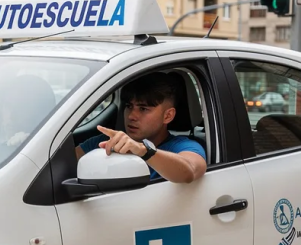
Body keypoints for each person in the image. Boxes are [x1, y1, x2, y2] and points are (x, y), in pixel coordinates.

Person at [76, 72, 207, 184]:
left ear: (167, 116)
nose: (131, 116)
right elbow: (64, 166)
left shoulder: (183, 146)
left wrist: (143, 150)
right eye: (129, 106)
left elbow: (189, 172)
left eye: (143, 109)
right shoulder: (105, 142)